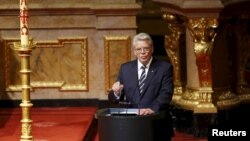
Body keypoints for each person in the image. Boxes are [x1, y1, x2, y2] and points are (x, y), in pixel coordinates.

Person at [108, 32, 174, 141]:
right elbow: (114, 99)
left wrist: (152, 109)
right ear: (135, 51)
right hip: (132, 125)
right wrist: (116, 92)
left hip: (156, 123)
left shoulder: (164, 68)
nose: (143, 53)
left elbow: (166, 93)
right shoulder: (125, 68)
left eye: (146, 49)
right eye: (139, 49)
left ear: (152, 49)